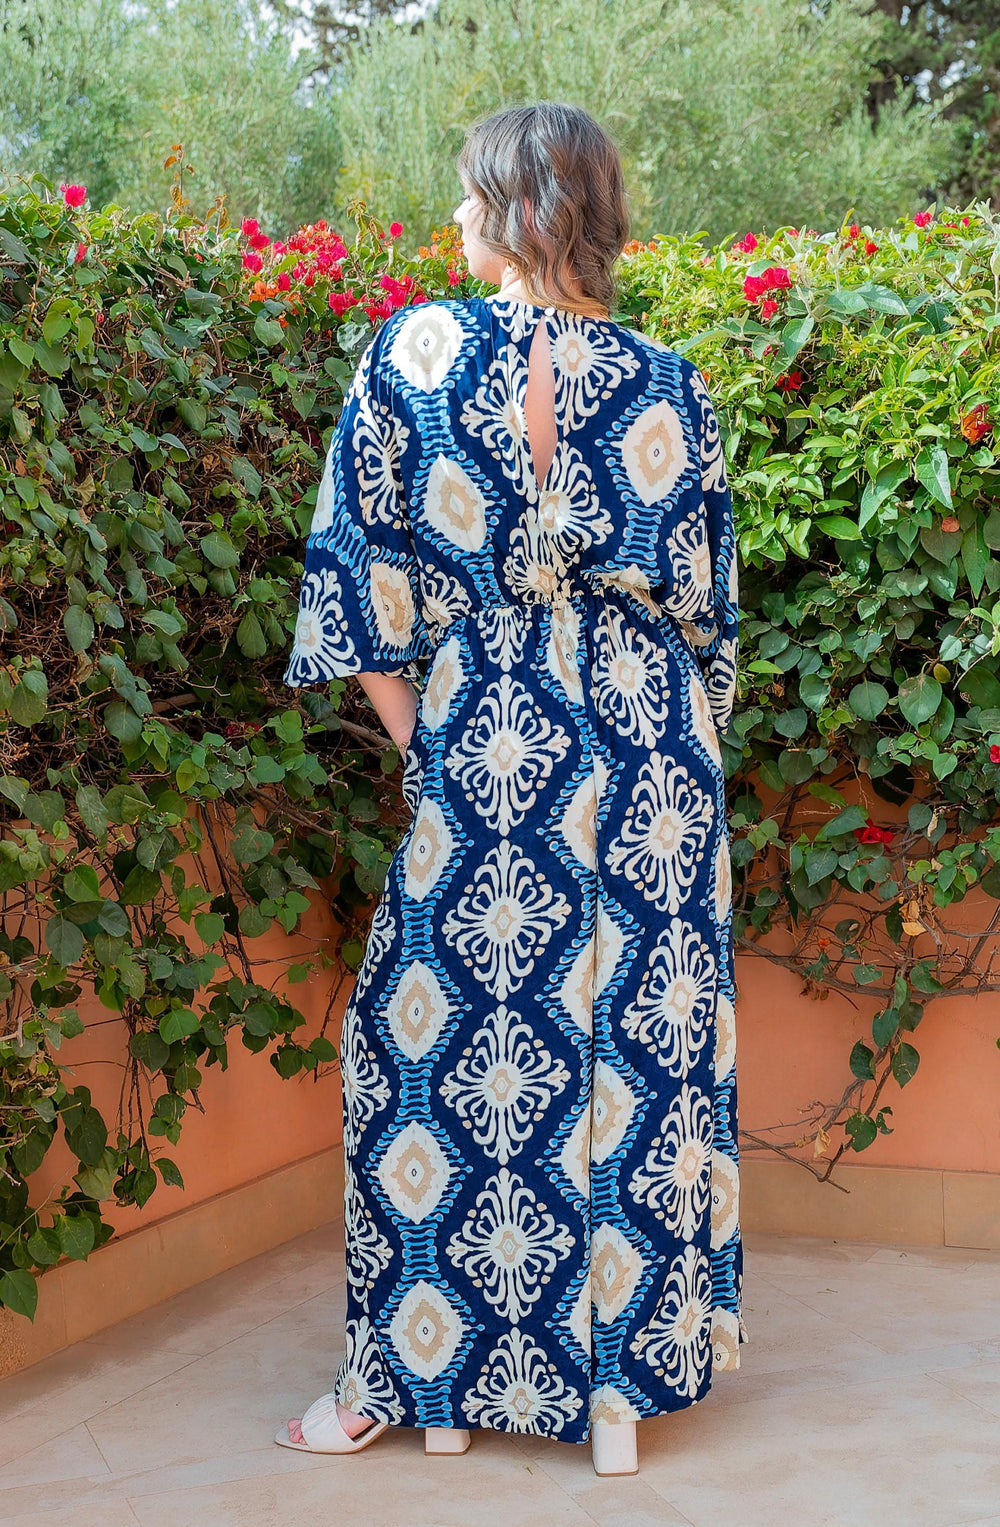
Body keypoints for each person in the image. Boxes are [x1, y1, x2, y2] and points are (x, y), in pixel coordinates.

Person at [276, 100, 746, 1478]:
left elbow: (356, 580)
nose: (455, 219)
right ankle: (620, 1389)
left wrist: (428, 741)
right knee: (635, 1056)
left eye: (471, 196)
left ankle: (418, 1377)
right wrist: (677, 750)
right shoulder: (671, 383)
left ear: (521, 209)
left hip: (487, 731)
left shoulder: (413, 350)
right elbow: (709, 619)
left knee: (432, 1050)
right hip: (651, 749)